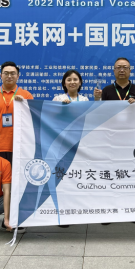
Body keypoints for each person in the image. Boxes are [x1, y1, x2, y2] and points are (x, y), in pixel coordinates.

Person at [94, 57, 135, 226]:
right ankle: (109, 211)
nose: (122, 70)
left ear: (130, 70)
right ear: (114, 70)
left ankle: (134, 211)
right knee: (111, 176)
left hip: (132, 141)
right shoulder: (107, 90)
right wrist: (97, 100)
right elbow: (99, 114)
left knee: (132, 175)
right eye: (118, 67)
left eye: (125, 67)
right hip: (111, 140)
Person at [52, 69, 88, 228]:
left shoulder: (85, 99)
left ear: (80, 83)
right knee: (62, 178)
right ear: (64, 83)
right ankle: (62, 213)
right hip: (62, 144)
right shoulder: (58, 99)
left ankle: (76, 210)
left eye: (75, 79)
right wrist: (61, 108)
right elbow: (51, 119)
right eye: (69, 80)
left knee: (77, 177)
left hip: (80, 144)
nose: (72, 82)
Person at [0, 61, 33, 163]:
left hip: (19, 145)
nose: (9, 76)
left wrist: (24, 104)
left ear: (18, 76)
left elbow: (31, 120)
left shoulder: (26, 95)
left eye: (12, 73)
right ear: (1, 76)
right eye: (6, 73)